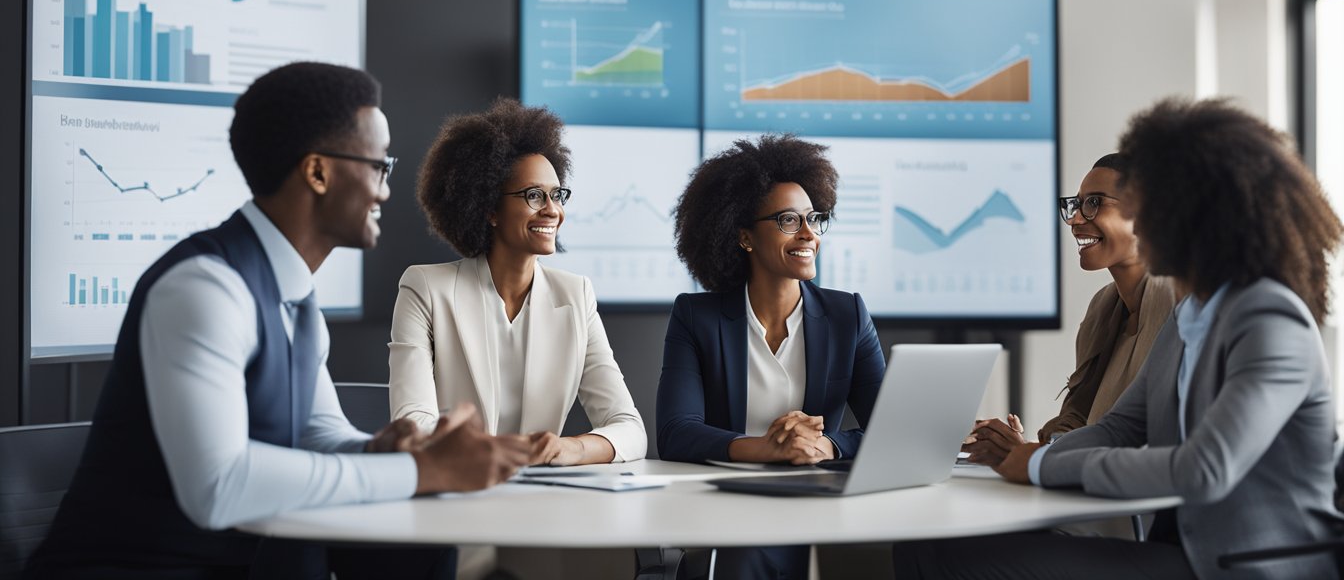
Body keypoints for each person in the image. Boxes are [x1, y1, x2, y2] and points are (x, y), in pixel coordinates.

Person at [27, 63, 532, 580]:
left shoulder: (295, 294)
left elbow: (317, 431)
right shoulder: (204, 289)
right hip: (128, 569)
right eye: (380, 166)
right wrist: (419, 470)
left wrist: (383, 449)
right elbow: (217, 487)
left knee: (422, 550)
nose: (385, 190)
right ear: (318, 172)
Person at [895, 97, 1344, 579]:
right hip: (1183, 553)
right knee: (927, 550)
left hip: (1252, 566)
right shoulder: (1188, 318)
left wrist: (1040, 466)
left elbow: (1205, 470)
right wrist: (1028, 457)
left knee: (965, 561)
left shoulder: (1269, 319)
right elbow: (1118, 428)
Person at [657, 134, 886, 580]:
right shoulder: (696, 317)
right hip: (728, 504)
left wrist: (826, 445)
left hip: (818, 502)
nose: (808, 234)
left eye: (815, 219)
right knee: (751, 556)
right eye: (788, 221)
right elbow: (676, 432)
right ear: (744, 236)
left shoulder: (847, 315)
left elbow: (890, 428)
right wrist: (767, 448)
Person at [389, 98, 645, 466]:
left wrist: (570, 448)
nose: (553, 210)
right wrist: (493, 453)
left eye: (557, 195)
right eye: (534, 195)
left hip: (542, 499)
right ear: (490, 208)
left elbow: (630, 429)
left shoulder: (575, 295)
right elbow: (413, 422)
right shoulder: (426, 289)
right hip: (455, 492)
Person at [964, 154, 1178, 465]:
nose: (1076, 220)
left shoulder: (1180, 304)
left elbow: (1147, 440)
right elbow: (1082, 425)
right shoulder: (1102, 309)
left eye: (1094, 203)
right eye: (1075, 206)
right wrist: (1025, 449)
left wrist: (1035, 456)